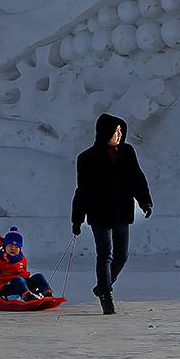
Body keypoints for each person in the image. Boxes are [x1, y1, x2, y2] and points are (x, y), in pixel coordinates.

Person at [71, 113, 152, 315]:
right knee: (104, 254)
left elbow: (137, 178)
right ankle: (106, 295)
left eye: (121, 131)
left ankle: (102, 285)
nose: (119, 134)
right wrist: (77, 219)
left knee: (122, 256)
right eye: (115, 131)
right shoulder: (86, 158)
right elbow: (82, 190)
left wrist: (145, 201)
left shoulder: (127, 152)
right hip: (98, 214)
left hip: (121, 212)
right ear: (104, 132)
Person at [0, 227, 53, 302]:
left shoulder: (22, 259)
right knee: (18, 279)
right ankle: (27, 297)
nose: (13, 249)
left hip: (21, 284)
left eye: (16, 247)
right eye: (10, 246)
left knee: (39, 276)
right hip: (7, 288)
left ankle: (47, 294)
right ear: (5, 247)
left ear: (20, 248)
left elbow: (23, 272)